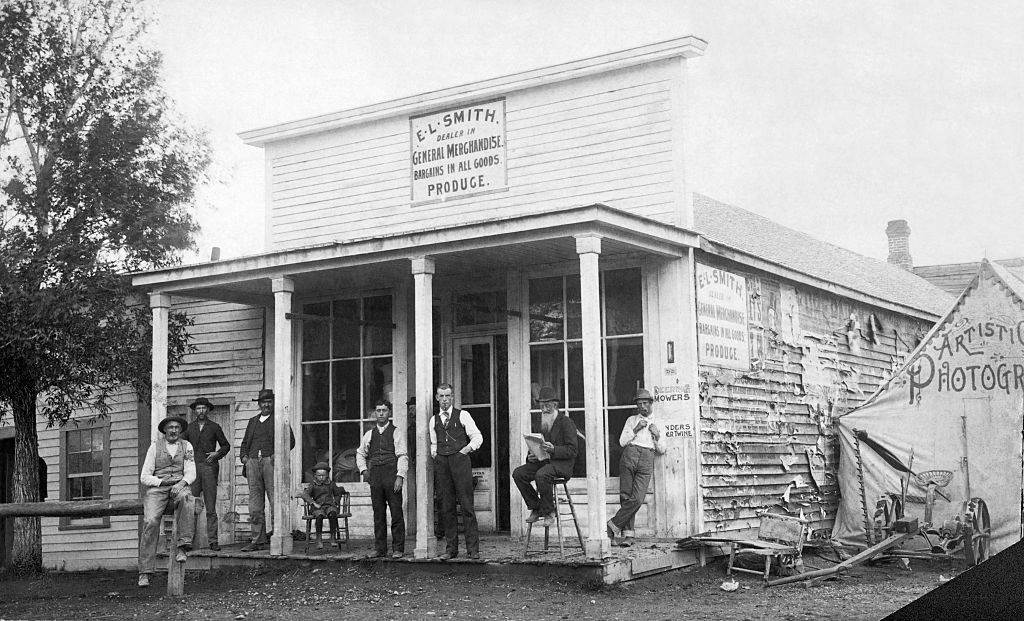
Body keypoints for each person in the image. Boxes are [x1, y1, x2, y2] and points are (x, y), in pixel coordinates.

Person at [138, 415, 196, 588]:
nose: (173, 430)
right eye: (170, 427)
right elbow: (145, 477)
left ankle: (183, 547)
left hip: (179, 484)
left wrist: (181, 483)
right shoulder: (155, 447)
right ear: (164, 430)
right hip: (158, 486)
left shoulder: (187, 446)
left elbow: (191, 472)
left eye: (177, 427)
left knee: (187, 499)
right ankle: (145, 572)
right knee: (150, 521)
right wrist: (162, 482)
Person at [429, 383, 482, 560]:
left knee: (467, 506)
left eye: (448, 396)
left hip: (460, 462)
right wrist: (435, 454)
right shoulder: (433, 420)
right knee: (446, 507)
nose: (444, 399)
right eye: (441, 396)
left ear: (452, 397)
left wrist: (465, 450)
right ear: (437, 398)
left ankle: (473, 550)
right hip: (443, 464)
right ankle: (451, 549)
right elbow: (433, 443)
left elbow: (477, 437)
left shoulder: (463, 415)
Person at [607, 388, 666, 546]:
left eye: (645, 403)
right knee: (626, 496)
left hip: (647, 458)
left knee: (637, 499)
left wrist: (657, 435)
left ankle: (611, 526)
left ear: (651, 403)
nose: (643, 407)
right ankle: (629, 536)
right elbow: (621, 442)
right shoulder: (631, 420)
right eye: (639, 404)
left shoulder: (659, 421)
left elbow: (662, 449)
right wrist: (635, 429)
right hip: (630, 455)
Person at [512, 386, 578, 526]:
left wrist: (554, 450)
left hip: (562, 465)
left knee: (541, 475)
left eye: (547, 406)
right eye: (541, 406)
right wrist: (531, 456)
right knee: (518, 473)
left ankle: (549, 511)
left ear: (555, 405)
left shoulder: (566, 422)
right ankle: (536, 507)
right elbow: (536, 444)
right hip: (544, 463)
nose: (544, 410)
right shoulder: (540, 423)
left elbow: (572, 450)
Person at [239, 388, 295, 552]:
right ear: (259, 404)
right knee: (255, 504)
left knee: (275, 501)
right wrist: (245, 458)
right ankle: (257, 539)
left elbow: (290, 441)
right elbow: (244, 444)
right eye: (263, 402)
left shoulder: (279, 420)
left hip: (271, 464)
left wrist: (277, 455)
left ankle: (277, 536)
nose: (266, 405)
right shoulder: (252, 421)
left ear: (273, 403)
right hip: (253, 464)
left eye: (269, 401)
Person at [357, 400, 408, 558]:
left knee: (396, 512)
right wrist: (364, 470)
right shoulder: (369, 434)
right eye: (378, 410)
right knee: (378, 513)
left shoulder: (396, 432)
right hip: (376, 477)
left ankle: (398, 549)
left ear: (389, 413)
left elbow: (402, 455)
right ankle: (380, 549)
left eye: (384, 410)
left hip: (391, 475)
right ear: (375, 413)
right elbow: (360, 453)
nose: (381, 413)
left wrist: (400, 476)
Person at [182, 396, 230, 551]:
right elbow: (182, 447)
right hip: (193, 472)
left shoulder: (214, 427)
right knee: (191, 506)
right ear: (195, 410)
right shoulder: (189, 428)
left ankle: (213, 541)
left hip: (209, 469)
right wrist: (187, 462)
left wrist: (216, 454)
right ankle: (188, 541)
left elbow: (225, 446)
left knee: (210, 507)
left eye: (203, 408)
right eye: (198, 408)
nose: (201, 411)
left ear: (208, 410)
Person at [298, 462, 346, 549]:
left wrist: (336, 501)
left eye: (323, 475)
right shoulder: (313, 485)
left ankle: (332, 537)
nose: (321, 477)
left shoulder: (331, 484)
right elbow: (305, 494)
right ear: (315, 475)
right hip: (318, 507)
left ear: (327, 475)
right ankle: (319, 540)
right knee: (319, 517)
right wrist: (313, 503)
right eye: (319, 475)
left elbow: (337, 493)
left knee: (332, 514)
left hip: (329, 505)